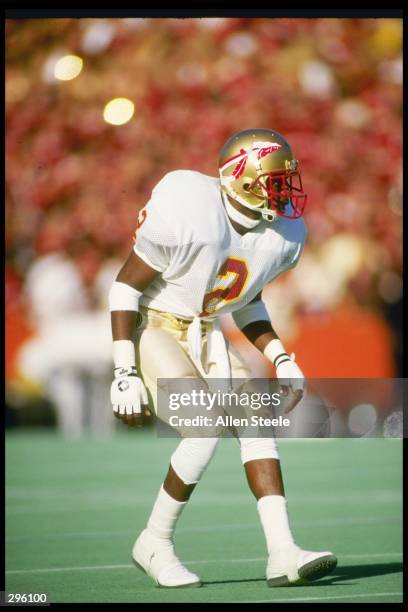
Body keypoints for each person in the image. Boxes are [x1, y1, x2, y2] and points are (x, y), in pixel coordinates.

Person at [109, 128, 337, 588]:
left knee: (257, 418)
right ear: (242, 178)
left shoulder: (281, 233)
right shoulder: (187, 207)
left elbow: (246, 299)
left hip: (207, 330)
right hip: (155, 324)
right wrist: (124, 369)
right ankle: (154, 541)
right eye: (274, 181)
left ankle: (283, 552)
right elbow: (125, 287)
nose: (284, 192)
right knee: (205, 427)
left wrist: (281, 357)